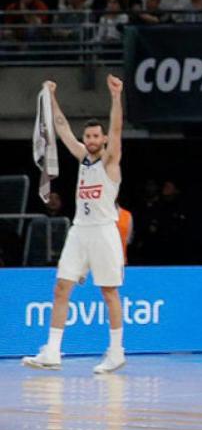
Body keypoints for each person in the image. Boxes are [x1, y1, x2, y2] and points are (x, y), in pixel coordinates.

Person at [23, 75, 126, 374]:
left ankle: (116, 351)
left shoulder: (110, 161)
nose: (92, 140)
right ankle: (53, 351)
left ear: (103, 139)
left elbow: (117, 129)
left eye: (97, 136)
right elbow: (62, 128)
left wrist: (116, 97)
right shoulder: (82, 157)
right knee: (61, 288)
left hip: (105, 230)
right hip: (79, 230)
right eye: (89, 136)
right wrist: (51, 95)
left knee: (109, 292)